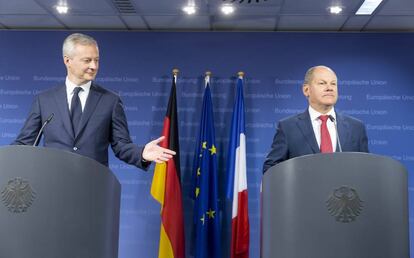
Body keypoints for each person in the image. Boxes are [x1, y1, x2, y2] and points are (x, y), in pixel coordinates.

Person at [13, 33, 174, 169]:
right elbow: (25, 143)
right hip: (53, 186)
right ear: (67, 61)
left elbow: (121, 145)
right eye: (87, 60)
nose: (94, 66)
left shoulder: (110, 101)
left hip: (94, 187)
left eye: (96, 60)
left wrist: (142, 154)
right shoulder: (44, 100)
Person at [263, 65, 369, 173]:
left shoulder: (356, 127)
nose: (329, 88)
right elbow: (271, 169)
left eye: (333, 83)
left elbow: (366, 168)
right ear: (306, 90)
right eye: (322, 83)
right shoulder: (288, 127)